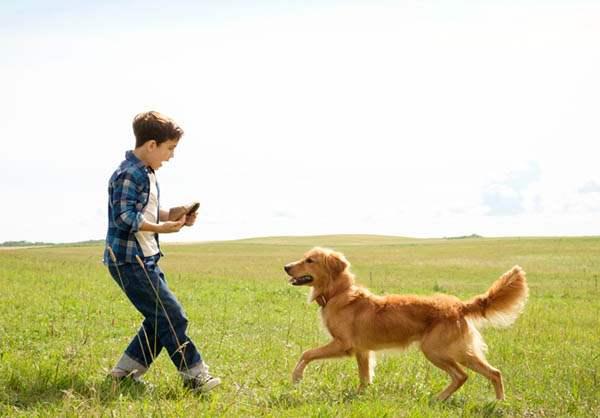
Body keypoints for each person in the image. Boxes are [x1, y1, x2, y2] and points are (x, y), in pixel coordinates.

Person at [104, 111, 220, 393]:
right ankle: (195, 376)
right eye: (169, 148)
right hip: (129, 261)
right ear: (151, 145)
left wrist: (174, 214)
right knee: (173, 316)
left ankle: (123, 375)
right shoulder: (129, 173)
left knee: (160, 318)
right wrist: (161, 228)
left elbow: (146, 211)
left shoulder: (146, 172)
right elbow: (124, 217)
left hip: (146, 258)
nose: (170, 156)